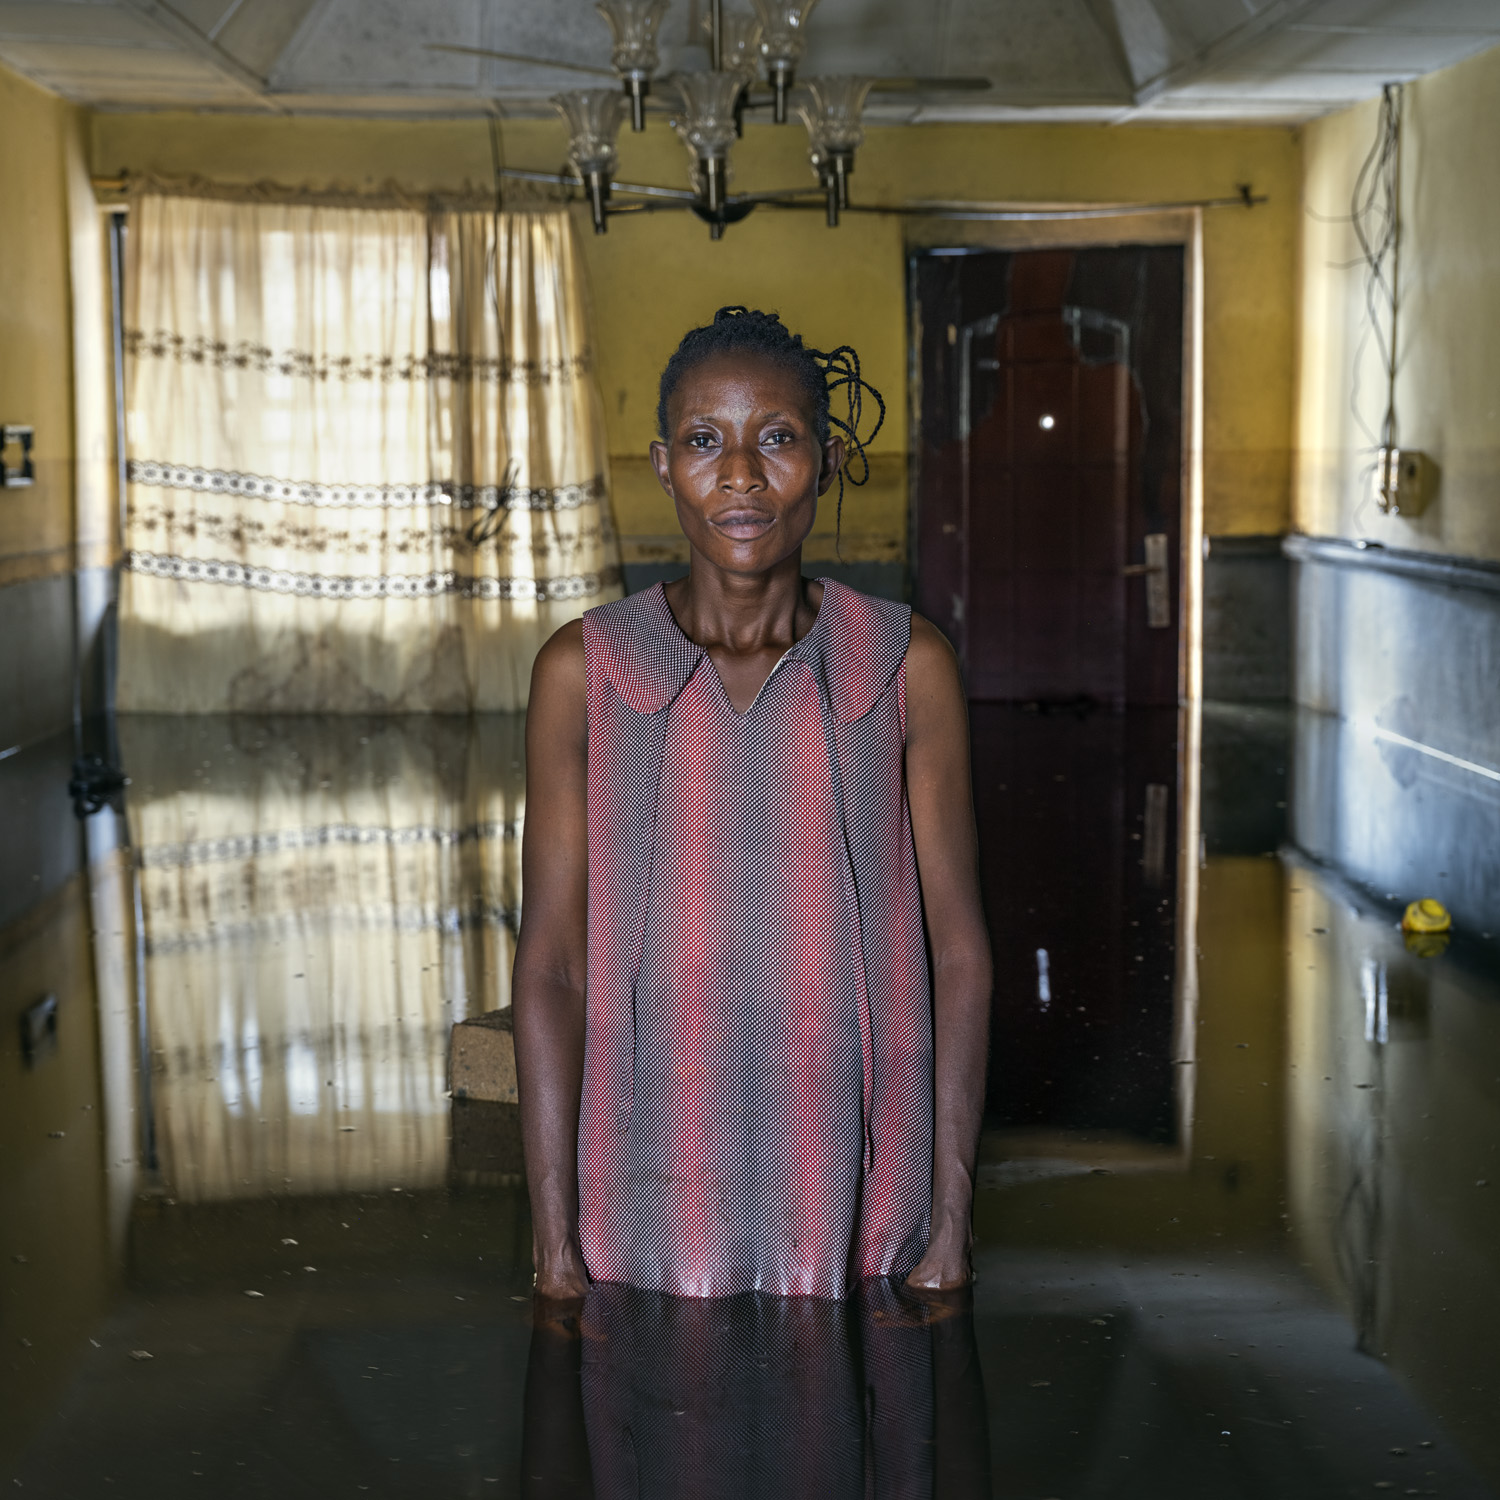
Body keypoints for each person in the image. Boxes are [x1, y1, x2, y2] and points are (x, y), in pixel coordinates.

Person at [513, 306, 991, 1301]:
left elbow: (958, 952)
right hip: (640, 1193)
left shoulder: (903, 662)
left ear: (826, 459)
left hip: (862, 1187)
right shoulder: (587, 670)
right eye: (703, 441)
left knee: (845, 1438)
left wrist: (952, 1217)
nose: (740, 473)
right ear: (661, 464)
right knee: (662, 1440)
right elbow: (553, 963)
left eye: (776, 438)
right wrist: (552, 1238)